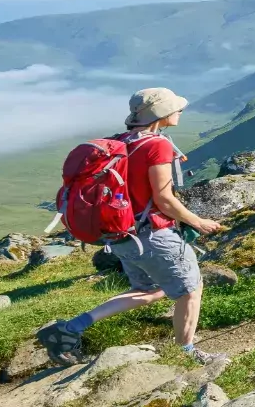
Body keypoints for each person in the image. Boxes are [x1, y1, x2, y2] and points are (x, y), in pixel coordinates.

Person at [36, 87, 226, 365]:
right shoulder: (157, 145)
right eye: (176, 107)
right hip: (154, 235)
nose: (180, 111)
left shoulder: (122, 142)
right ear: (161, 114)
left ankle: (69, 329)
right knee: (189, 291)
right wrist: (198, 222)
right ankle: (186, 353)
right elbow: (164, 198)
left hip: (123, 236)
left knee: (150, 291)